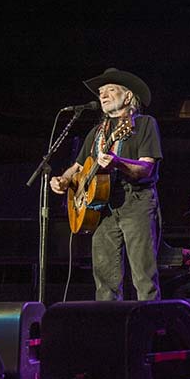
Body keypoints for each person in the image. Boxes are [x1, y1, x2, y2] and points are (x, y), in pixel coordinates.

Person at [50, 68, 163, 300]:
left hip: (136, 201)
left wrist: (118, 163)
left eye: (111, 90)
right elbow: (79, 167)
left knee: (143, 276)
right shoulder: (96, 132)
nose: (103, 95)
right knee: (104, 280)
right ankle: (109, 329)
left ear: (128, 96)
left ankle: (151, 331)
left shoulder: (143, 125)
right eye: (101, 92)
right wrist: (64, 180)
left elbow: (147, 168)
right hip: (101, 208)